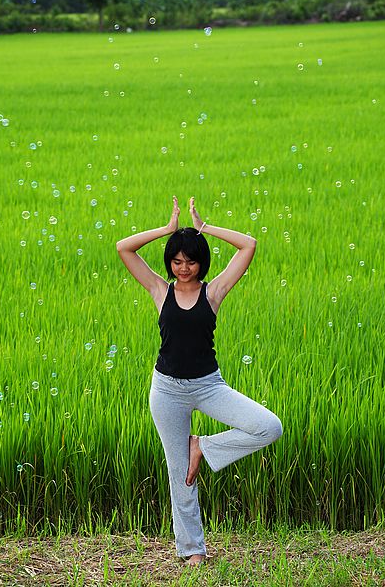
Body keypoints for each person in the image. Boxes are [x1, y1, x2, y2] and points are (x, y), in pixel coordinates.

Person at [116, 196, 283, 566]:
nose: (183, 268)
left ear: (201, 262)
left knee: (269, 427)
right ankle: (192, 550)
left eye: (190, 261)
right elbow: (123, 248)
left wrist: (204, 228)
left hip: (209, 386)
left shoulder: (214, 291)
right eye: (176, 261)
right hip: (167, 391)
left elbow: (249, 245)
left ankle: (203, 447)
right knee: (181, 476)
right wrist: (168, 230)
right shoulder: (161, 291)